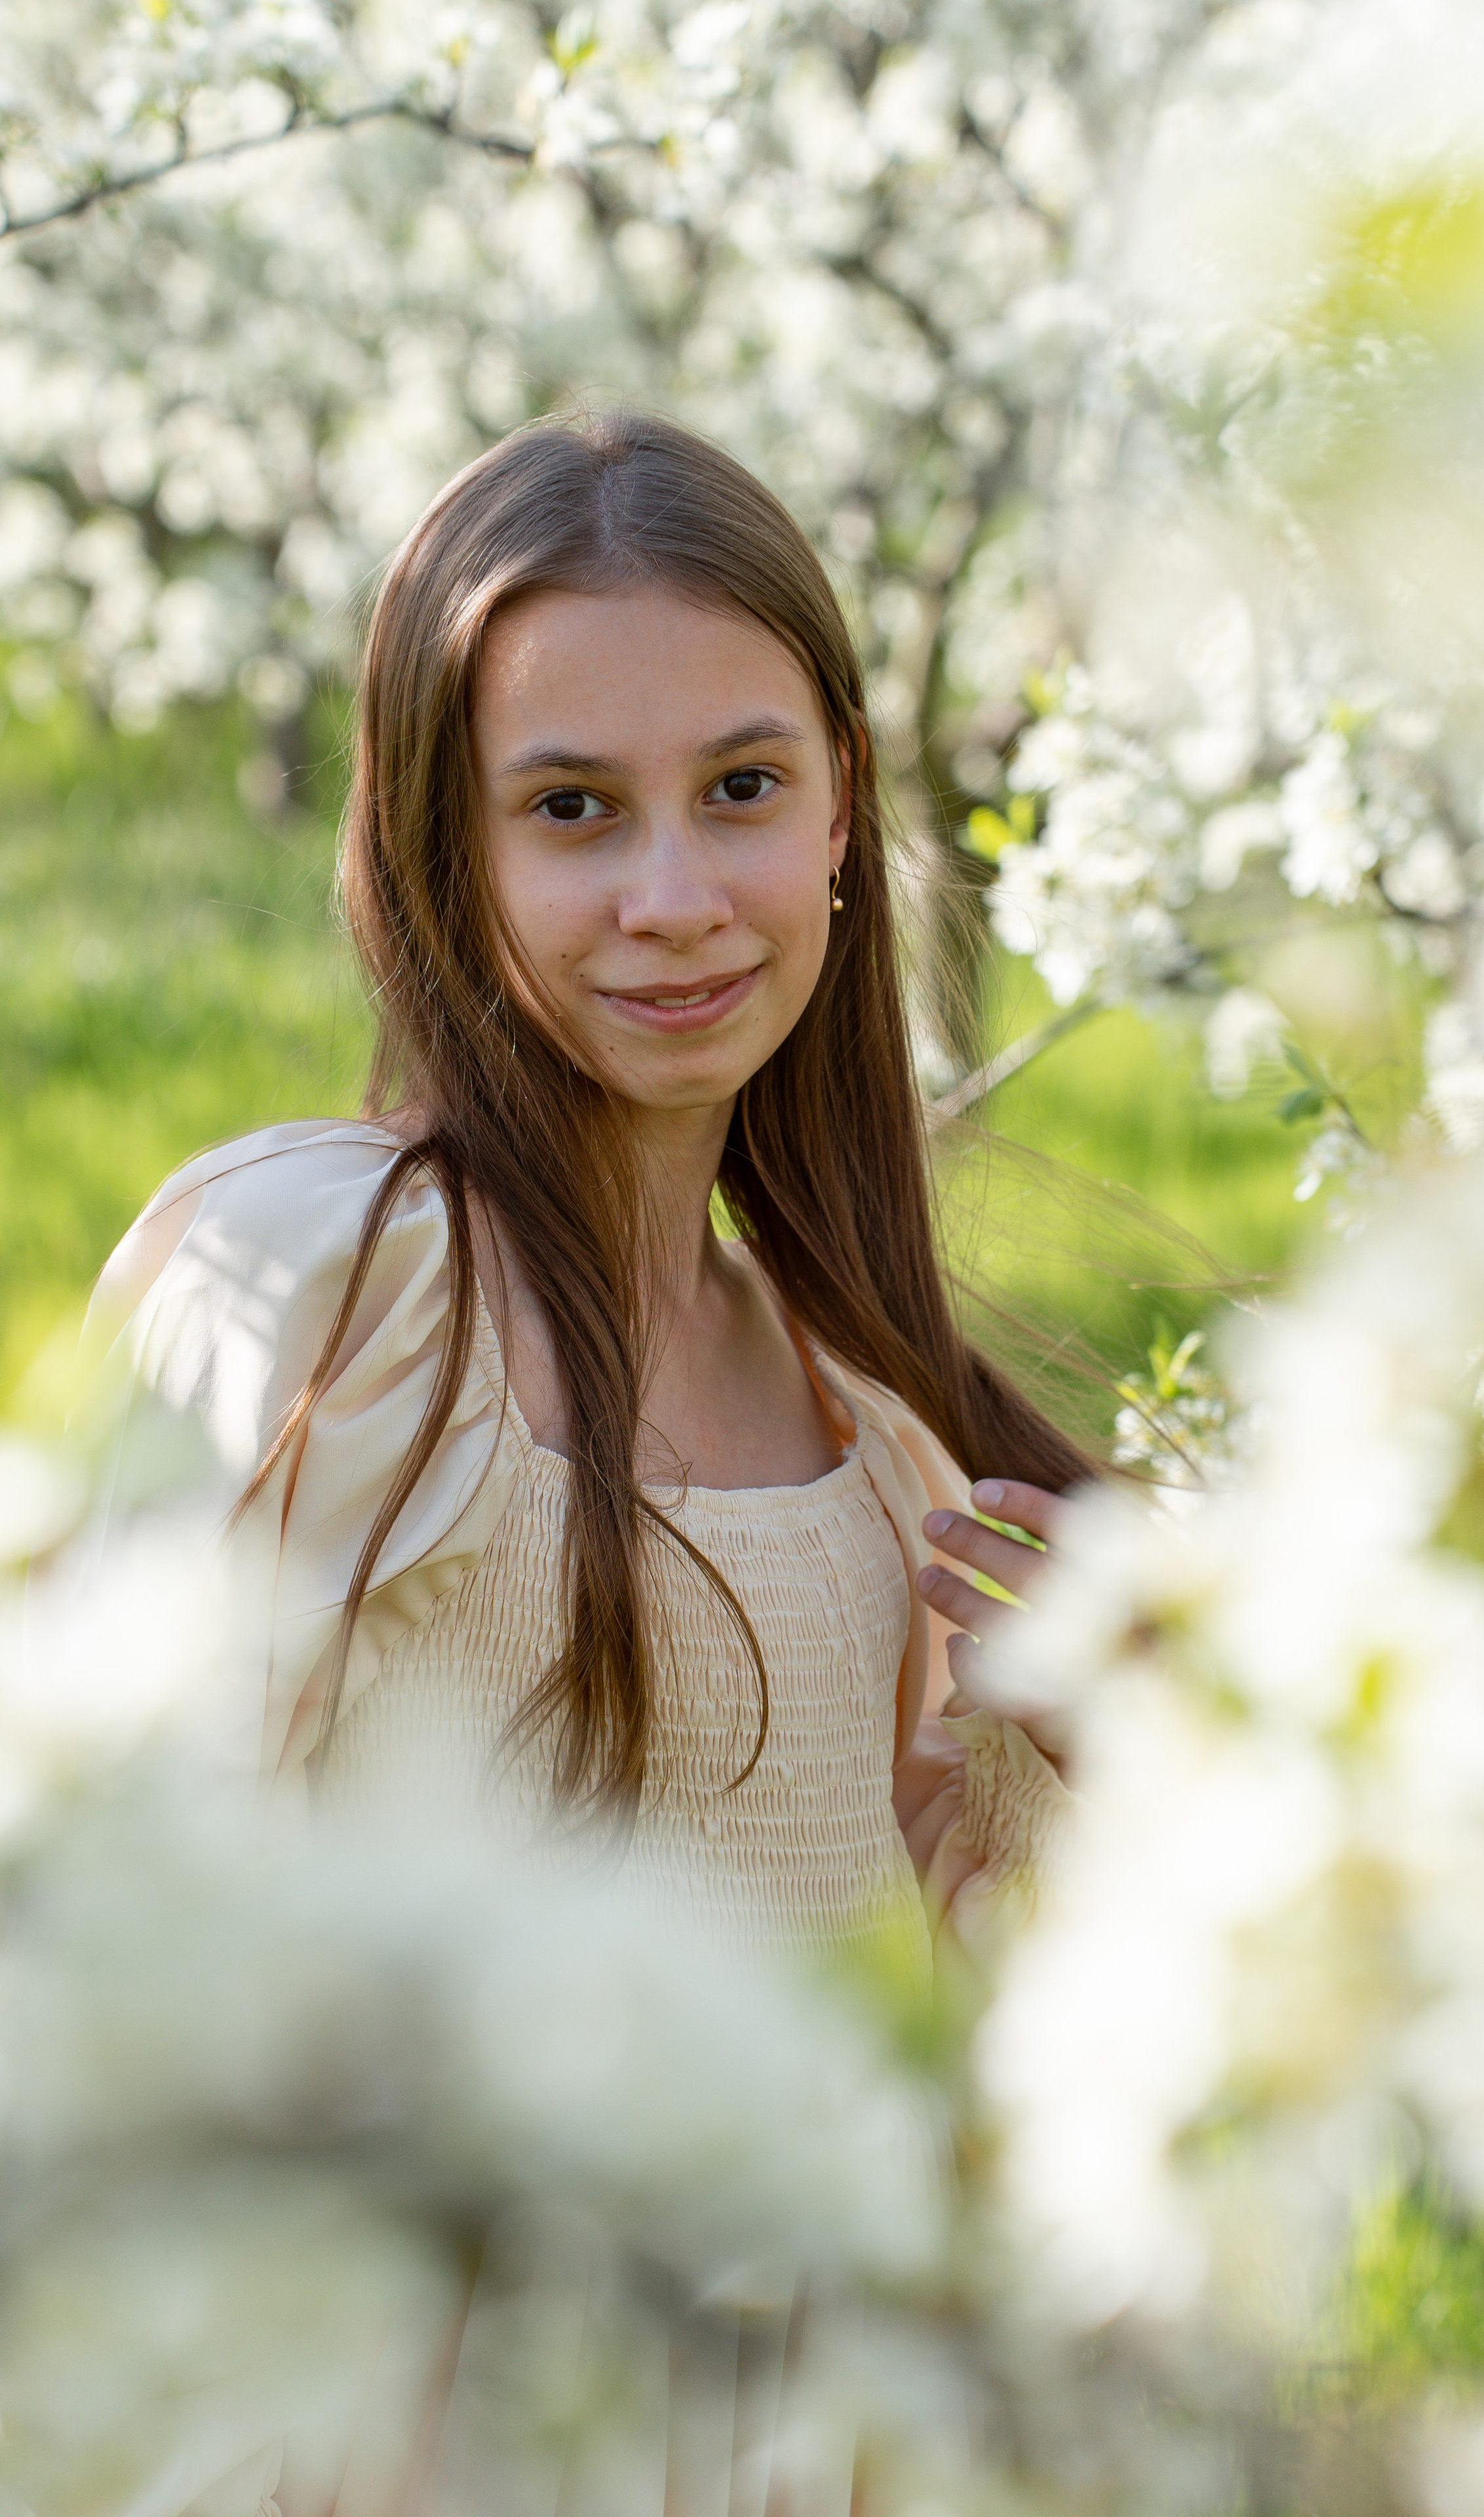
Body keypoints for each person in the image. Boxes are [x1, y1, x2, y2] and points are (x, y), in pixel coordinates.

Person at [88, 408, 1094, 2512]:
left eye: (741, 788)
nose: (672, 898)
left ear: (841, 813)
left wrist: (1007, 1839)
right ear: (447, 856)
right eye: (570, 810)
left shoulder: (882, 1433)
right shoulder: (325, 1286)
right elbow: (83, 1941)